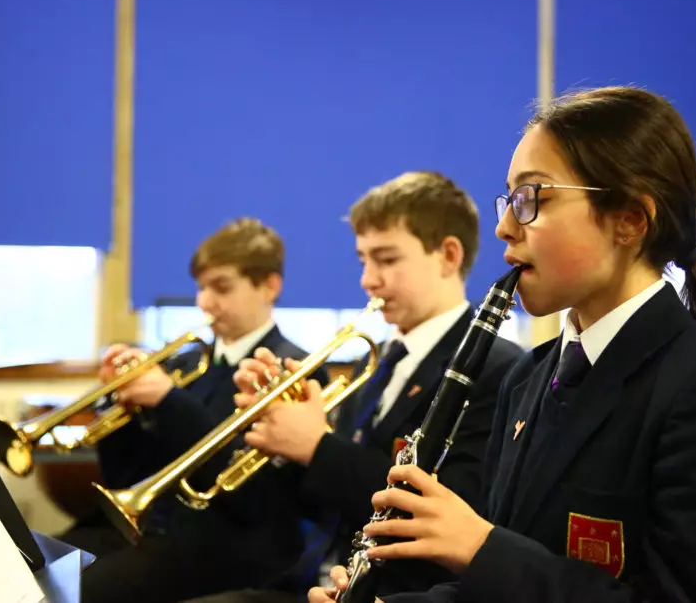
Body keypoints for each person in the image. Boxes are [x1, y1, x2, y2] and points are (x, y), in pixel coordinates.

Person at [310, 86, 696, 603]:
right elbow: (489, 591)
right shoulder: (528, 379)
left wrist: (481, 547)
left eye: (531, 198)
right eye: (509, 199)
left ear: (629, 219)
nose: (503, 227)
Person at [184, 172, 523, 603]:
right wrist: (282, 441)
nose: (367, 280)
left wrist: (317, 446)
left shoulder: (497, 368)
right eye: (363, 260)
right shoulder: (376, 360)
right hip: (321, 577)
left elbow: (448, 508)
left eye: (386, 259)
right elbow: (328, 503)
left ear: (448, 256)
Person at [62, 217, 326, 603]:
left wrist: (170, 402)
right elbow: (127, 475)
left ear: (269, 286)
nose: (204, 302)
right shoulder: (185, 365)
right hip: (155, 529)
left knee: (82, 591)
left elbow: (253, 499)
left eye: (221, 287)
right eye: (201, 287)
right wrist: (120, 404)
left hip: (229, 545)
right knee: (37, 563)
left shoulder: (291, 369)